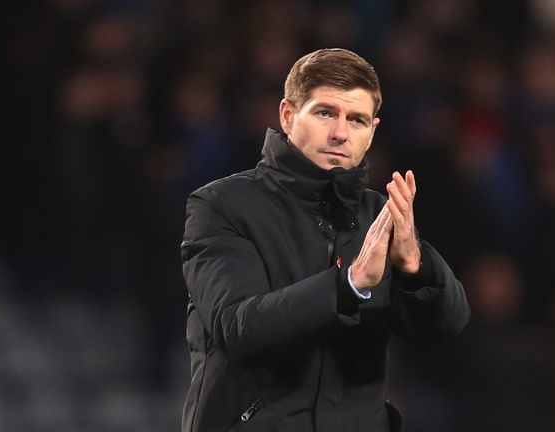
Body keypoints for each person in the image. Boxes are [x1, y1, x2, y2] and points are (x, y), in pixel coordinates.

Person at [180, 48, 470, 432]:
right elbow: (238, 328)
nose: (340, 133)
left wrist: (417, 269)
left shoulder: (378, 215)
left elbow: (445, 328)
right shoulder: (222, 205)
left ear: (372, 132)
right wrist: (348, 286)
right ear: (287, 115)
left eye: (357, 120)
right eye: (324, 113)